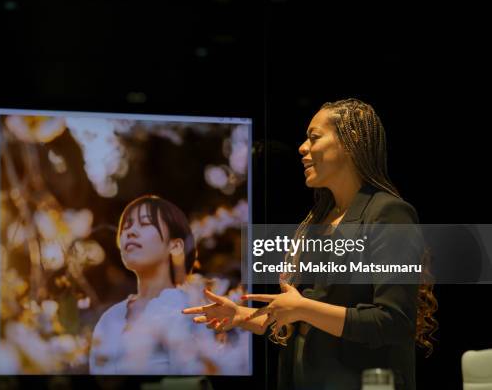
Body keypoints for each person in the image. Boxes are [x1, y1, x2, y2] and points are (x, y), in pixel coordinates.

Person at [183, 99, 437, 390]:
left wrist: (303, 309)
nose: (302, 148)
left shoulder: (389, 213)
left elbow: (394, 321)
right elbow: (307, 315)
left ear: (351, 141)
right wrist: (245, 317)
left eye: (314, 137)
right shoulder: (317, 221)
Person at [89, 195, 204, 375]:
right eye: (126, 227)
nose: (130, 232)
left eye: (145, 223)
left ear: (175, 247)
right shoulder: (108, 319)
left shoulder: (191, 310)